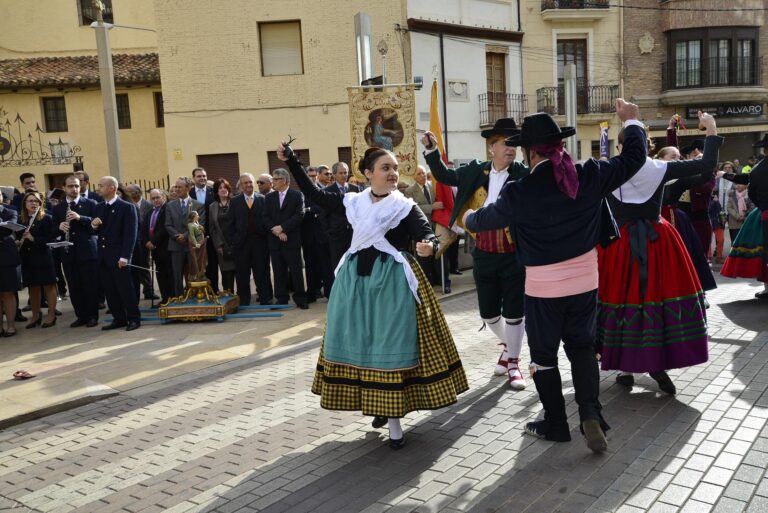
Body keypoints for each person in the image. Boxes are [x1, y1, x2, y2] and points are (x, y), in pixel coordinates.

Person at [463, 99, 647, 453]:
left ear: (530, 153)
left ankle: (556, 423)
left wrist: (469, 218)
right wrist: (633, 121)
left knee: (543, 357)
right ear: (559, 145)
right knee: (581, 348)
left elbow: (484, 221)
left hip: (543, 288)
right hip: (585, 282)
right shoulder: (588, 174)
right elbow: (633, 160)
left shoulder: (521, 191)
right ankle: (590, 414)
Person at [279, 142, 468, 449]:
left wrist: (429, 246)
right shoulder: (351, 201)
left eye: (394, 168)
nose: (393, 173)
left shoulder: (403, 205)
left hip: (391, 283)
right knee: (362, 345)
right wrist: (293, 162)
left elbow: (426, 232)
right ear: (368, 174)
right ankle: (378, 404)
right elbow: (314, 195)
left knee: (387, 346)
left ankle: (394, 423)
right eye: (385, 168)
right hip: (354, 283)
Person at [597, 111, 722, 395]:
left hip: (617, 245)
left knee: (623, 298)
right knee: (657, 298)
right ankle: (656, 364)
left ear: (621, 147)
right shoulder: (657, 167)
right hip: (659, 242)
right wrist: (712, 128)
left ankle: (628, 368)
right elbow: (706, 165)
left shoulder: (607, 169)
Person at [422, 118, 529, 390]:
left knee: (515, 311)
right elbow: (446, 176)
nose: (511, 149)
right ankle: (508, 346)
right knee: (489, 313)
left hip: (514, 252)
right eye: (506, 143)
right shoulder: (474, 171)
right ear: (491, 147)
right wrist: (433, 151)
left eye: (515, 144)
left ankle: (514, 362)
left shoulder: (523, 174)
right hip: (483, 250)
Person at [720, 134, 768, 297]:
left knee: (765, 253)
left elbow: (752, 193)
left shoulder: (757, 169)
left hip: (766, 214)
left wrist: (762, 207)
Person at [91, 176, 141, 331]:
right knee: (110, 290)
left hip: (119, 256)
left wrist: (125, 256)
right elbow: (96, 230)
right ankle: (118, 318)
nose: (98, 188)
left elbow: (130, 235)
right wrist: (93, 226)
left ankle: (133, 318)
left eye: (101, 185)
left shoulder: (126, 207)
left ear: (112, 188)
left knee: (125, 289)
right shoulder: (98, 207)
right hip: (104, 257)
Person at [53, 175, 99, 327]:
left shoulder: (91, 203)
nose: (74, 189)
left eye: (77, 186)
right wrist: (59, 227)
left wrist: (81, 218)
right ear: (64, 188)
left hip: (87, 252)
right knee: (74, 286)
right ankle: (81, 316)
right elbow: (53, 229)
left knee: (90, 285)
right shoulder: (58, 208)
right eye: (71, 186)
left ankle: (92, 316)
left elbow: (97, 224)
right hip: (68, 253)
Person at [226, 173, 273, 306]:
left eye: (250, 182)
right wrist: (234, 240)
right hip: (241, 244)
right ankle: (244, 301)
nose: (248, 185)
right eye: (245, 183)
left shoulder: (263, 199)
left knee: (262, 272)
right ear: (241, 185)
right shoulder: (235, 201)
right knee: (242, 274)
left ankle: (265, 299)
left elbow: (268, 220)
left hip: (260, 243)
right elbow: (230, 223)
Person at [264, 168, 308, 309]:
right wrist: (277, 231)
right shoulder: (269, 197)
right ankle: (281, 298)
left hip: (291, 240)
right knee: (278, 271)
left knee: (296, 271)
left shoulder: (297, 195)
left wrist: (282, 228)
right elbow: (265, 217)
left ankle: (300, 298)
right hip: (275, 241)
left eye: (276, 179)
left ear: (284, 180)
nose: (273, 182)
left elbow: (299, 215)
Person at [404, 165, 450, 292]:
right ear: (414, 176)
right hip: (422, 229)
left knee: (441, 255)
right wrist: (431, 207)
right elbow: (413, 208)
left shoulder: (433, 186)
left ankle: (444, 281)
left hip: (437, 226)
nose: (423, 176)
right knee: (424, 259)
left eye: (424, 173)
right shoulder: (409, 191)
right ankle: (428, 282)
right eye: (419, 174)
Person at [16, 191, 58, 328]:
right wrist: (18, 242)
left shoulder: (47, 218)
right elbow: (16, 235)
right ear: (25, 204)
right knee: (32, 287)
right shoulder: (21, 219)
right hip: (27, 258)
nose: (34, 203)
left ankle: (51, 315)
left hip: (43, 257)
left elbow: (51, 239)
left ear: (41, 204)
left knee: (48, 286)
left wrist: (33, 239)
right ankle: (35, 315)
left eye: (36, 201)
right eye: (30, 201)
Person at [165, 177, 206, 297]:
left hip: (192, 245)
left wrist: (186, 236)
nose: (177, 189)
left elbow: (200, 224)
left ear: (188, 188)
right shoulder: (170, 205)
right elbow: (167, 224)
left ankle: (194, 296)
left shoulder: (198, 205)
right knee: (177, 274)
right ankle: (179, 297)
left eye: (180, 187)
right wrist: (177, 236)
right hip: (175, 244)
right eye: (176, 187)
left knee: (194, 272)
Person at [324, 162, 359, 269]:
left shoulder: (355, 189)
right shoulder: (327, 191)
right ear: (334, 175)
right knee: (338, 265)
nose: (344, 175)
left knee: (354, 265)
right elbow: (323, 215)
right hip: (336, 236)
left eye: (346, 173)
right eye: (341, 173)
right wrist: (329, 232)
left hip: (353, 235)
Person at [189, 167, 219, 292]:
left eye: (204, 176)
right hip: (194, 235)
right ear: (194, 178)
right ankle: (197, 291)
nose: (202, 178)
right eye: (199, 176)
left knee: (212, 263)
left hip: (210, 234)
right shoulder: (189, 193)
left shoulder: (213, 192)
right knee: (196, 263)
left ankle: (214, 290)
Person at [126, 184, 155, 301]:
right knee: (135, 268)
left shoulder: (148, 205)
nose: (127, 194)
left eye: (130, 192)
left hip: (145, 240)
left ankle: (148, 290)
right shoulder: (128, 205)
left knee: (144, 265)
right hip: (134, 240)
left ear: (138, 193)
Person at [142, 189, 172, 305]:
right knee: (160, 275)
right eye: (153, 198)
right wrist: (146, 242)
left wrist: (153, 241)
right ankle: (165, 298)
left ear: (164, 197)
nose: (156, 200)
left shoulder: (167, 210)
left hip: (165, 247)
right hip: (154, 249)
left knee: (169, 274)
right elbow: (144, 230)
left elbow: (164, 228)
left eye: (158, 197)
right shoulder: (150, 212)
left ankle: (172, 298)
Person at [208, 178, 236, 293]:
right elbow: (212, 229)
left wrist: (237, 241)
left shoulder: (236, 202)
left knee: (239, 273)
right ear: (216, 191)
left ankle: (242, 297)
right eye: (220, 188)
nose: (223, 190)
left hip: (236, 243)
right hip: (222, 245)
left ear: (229, 189)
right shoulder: (212, 207)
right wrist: (218, 245)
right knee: (226, 274)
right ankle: (228, 296)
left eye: (225, 187)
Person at [0, 189, 20, 337]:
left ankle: (11, 325)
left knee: (8, 292)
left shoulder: (10, 211)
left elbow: (6, 231)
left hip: (6, 256)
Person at [186, 211, 207, 281]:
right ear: (193, 216)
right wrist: (195, 244)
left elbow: (202, 232)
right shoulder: (190, 225)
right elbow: (192, 235)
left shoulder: (198, 224)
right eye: (197, 215)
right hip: (197, 245)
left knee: (203, 259)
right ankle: (195, 275)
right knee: (196, 260)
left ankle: (201, 274)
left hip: (202, 244)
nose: (198, 216)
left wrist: (202, 229)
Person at [709, 190, 725, 264]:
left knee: (721, 240)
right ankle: (708, 256)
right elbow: (708, 209)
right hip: (708, 221)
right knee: (708, 240)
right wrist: (714, 202)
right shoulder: (706, 197)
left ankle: (719, 257)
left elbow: (719, 210)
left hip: (717, 222)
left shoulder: (716, 198)